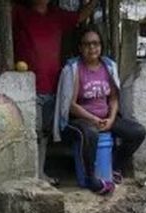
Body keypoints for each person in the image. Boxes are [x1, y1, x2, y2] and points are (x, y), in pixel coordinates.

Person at [12, 0, 97, 184]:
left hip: (52, 87)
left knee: (43, 134)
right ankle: (30, 176)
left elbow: (80, 16)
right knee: (32, 133)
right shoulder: (19, 12)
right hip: (27, 88)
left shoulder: (57, 15)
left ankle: (40, 174)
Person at [55, 28, 146, 195]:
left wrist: (111, 119)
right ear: (80, 48)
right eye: (87, 44)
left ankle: (115, 166)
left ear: (101, 46)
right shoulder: (74, 69)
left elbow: (113, 98)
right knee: (90, 133)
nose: (92, 48)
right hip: (79, 121)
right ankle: (91, 180)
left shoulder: (108, 66)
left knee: (137, 132)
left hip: (105, 118)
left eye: (96, 43)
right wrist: (93, 119)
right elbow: (71, 105)